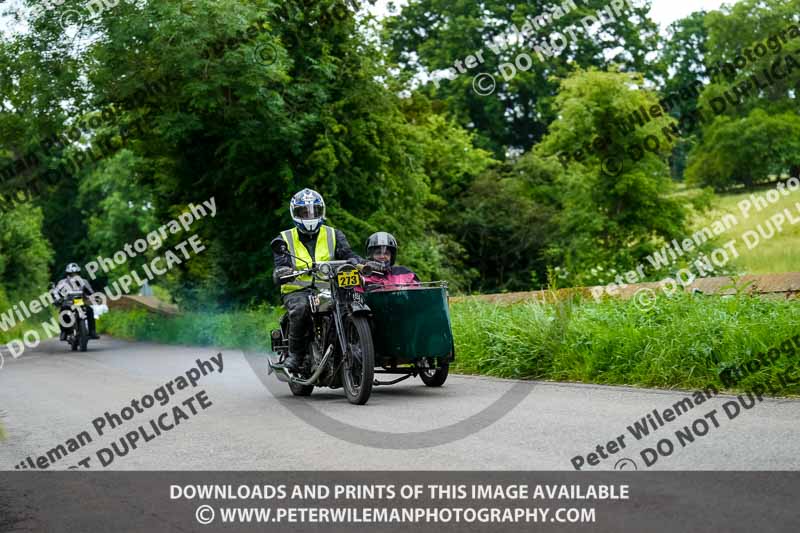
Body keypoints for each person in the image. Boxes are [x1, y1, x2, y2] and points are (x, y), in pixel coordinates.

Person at [272, 188, 375, 372]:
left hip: (328, 288)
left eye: (314, 211)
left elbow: (347, 253)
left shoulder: (334, 234)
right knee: (301, 308)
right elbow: (280, 263)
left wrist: (358, 262)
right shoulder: (284, 238)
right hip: (297, 290)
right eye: (304, 212)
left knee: (347, 306)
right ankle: (296, 355)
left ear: (321, 212)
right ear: (295, 213)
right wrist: (283, 270)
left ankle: (353, 349)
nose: (310, 216)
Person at [53, 263, 100, 340]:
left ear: (78, 273)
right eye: (71, 274)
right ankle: (64, 331)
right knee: (63, 311)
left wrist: (94, 297)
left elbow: (91, 291)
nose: (73, 275)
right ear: (67, 274)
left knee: (89, 310)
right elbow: (56, 292)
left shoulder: (84, 281)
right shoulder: (62, 282)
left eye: (75, 273)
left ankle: (92, 331)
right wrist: (57, 299)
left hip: (79, 302)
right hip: (67, 303)